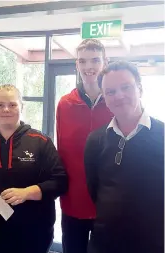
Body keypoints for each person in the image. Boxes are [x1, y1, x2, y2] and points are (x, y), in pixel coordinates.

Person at [0, 84, 68, 253]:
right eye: (0, 105)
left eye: (12, 104)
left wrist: (27, 192)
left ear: (22, 107)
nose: (6, 109)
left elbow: (60, 182)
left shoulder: (41, 142)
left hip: (34, 234)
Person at [85, 61, 164, 253]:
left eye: (126, 87)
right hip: (105, 243)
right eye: (110, 92)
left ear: (140, 89)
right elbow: (94, 189)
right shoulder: (95, 139)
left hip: (152, 242)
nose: (119, 96)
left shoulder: (162, 135)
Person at [56, 39, 113, 253]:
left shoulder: (114, 102)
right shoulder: (65, 104)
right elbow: (61, 151)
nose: (89, 67)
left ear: (105, 62)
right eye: (83, 61)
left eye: (95, 60)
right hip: (73, 200)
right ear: (76, 65)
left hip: (107, 203)